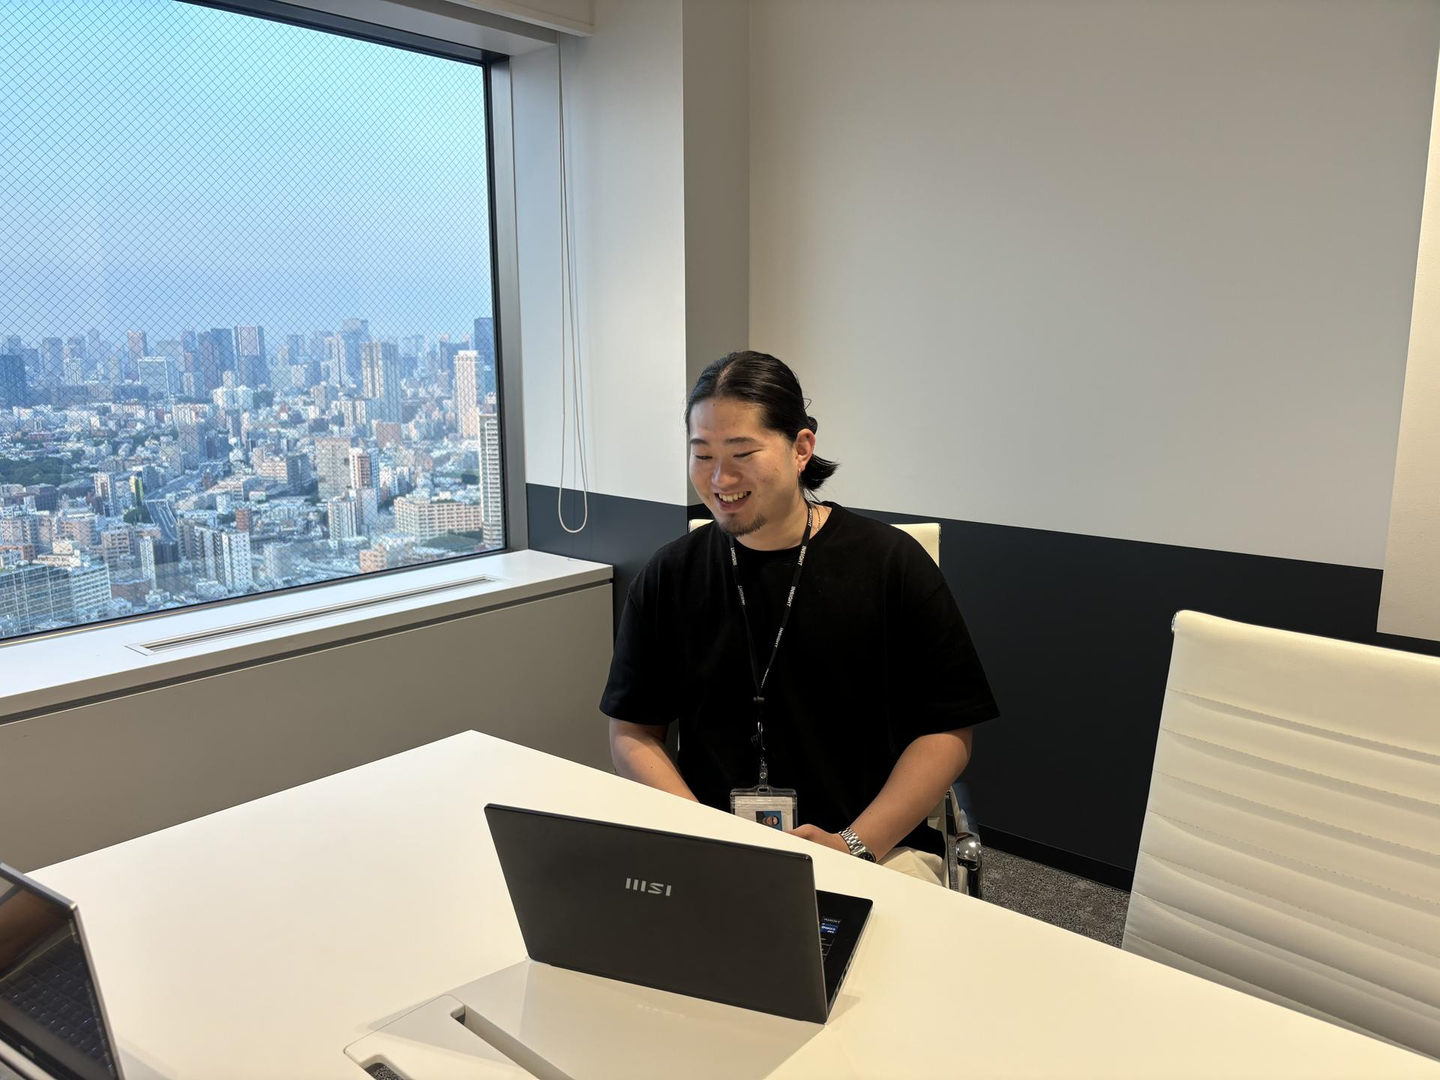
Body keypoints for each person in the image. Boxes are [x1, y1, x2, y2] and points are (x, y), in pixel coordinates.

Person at [601, 351, 999, 886]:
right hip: (713, 851)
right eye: (702, 455)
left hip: (871, 849)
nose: (720, 478)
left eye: (743, 452)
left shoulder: (890, 564)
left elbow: (947, 731)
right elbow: (632, 730)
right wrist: (702, 831)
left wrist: (852, 845)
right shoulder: (669, 574)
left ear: (801, 448)